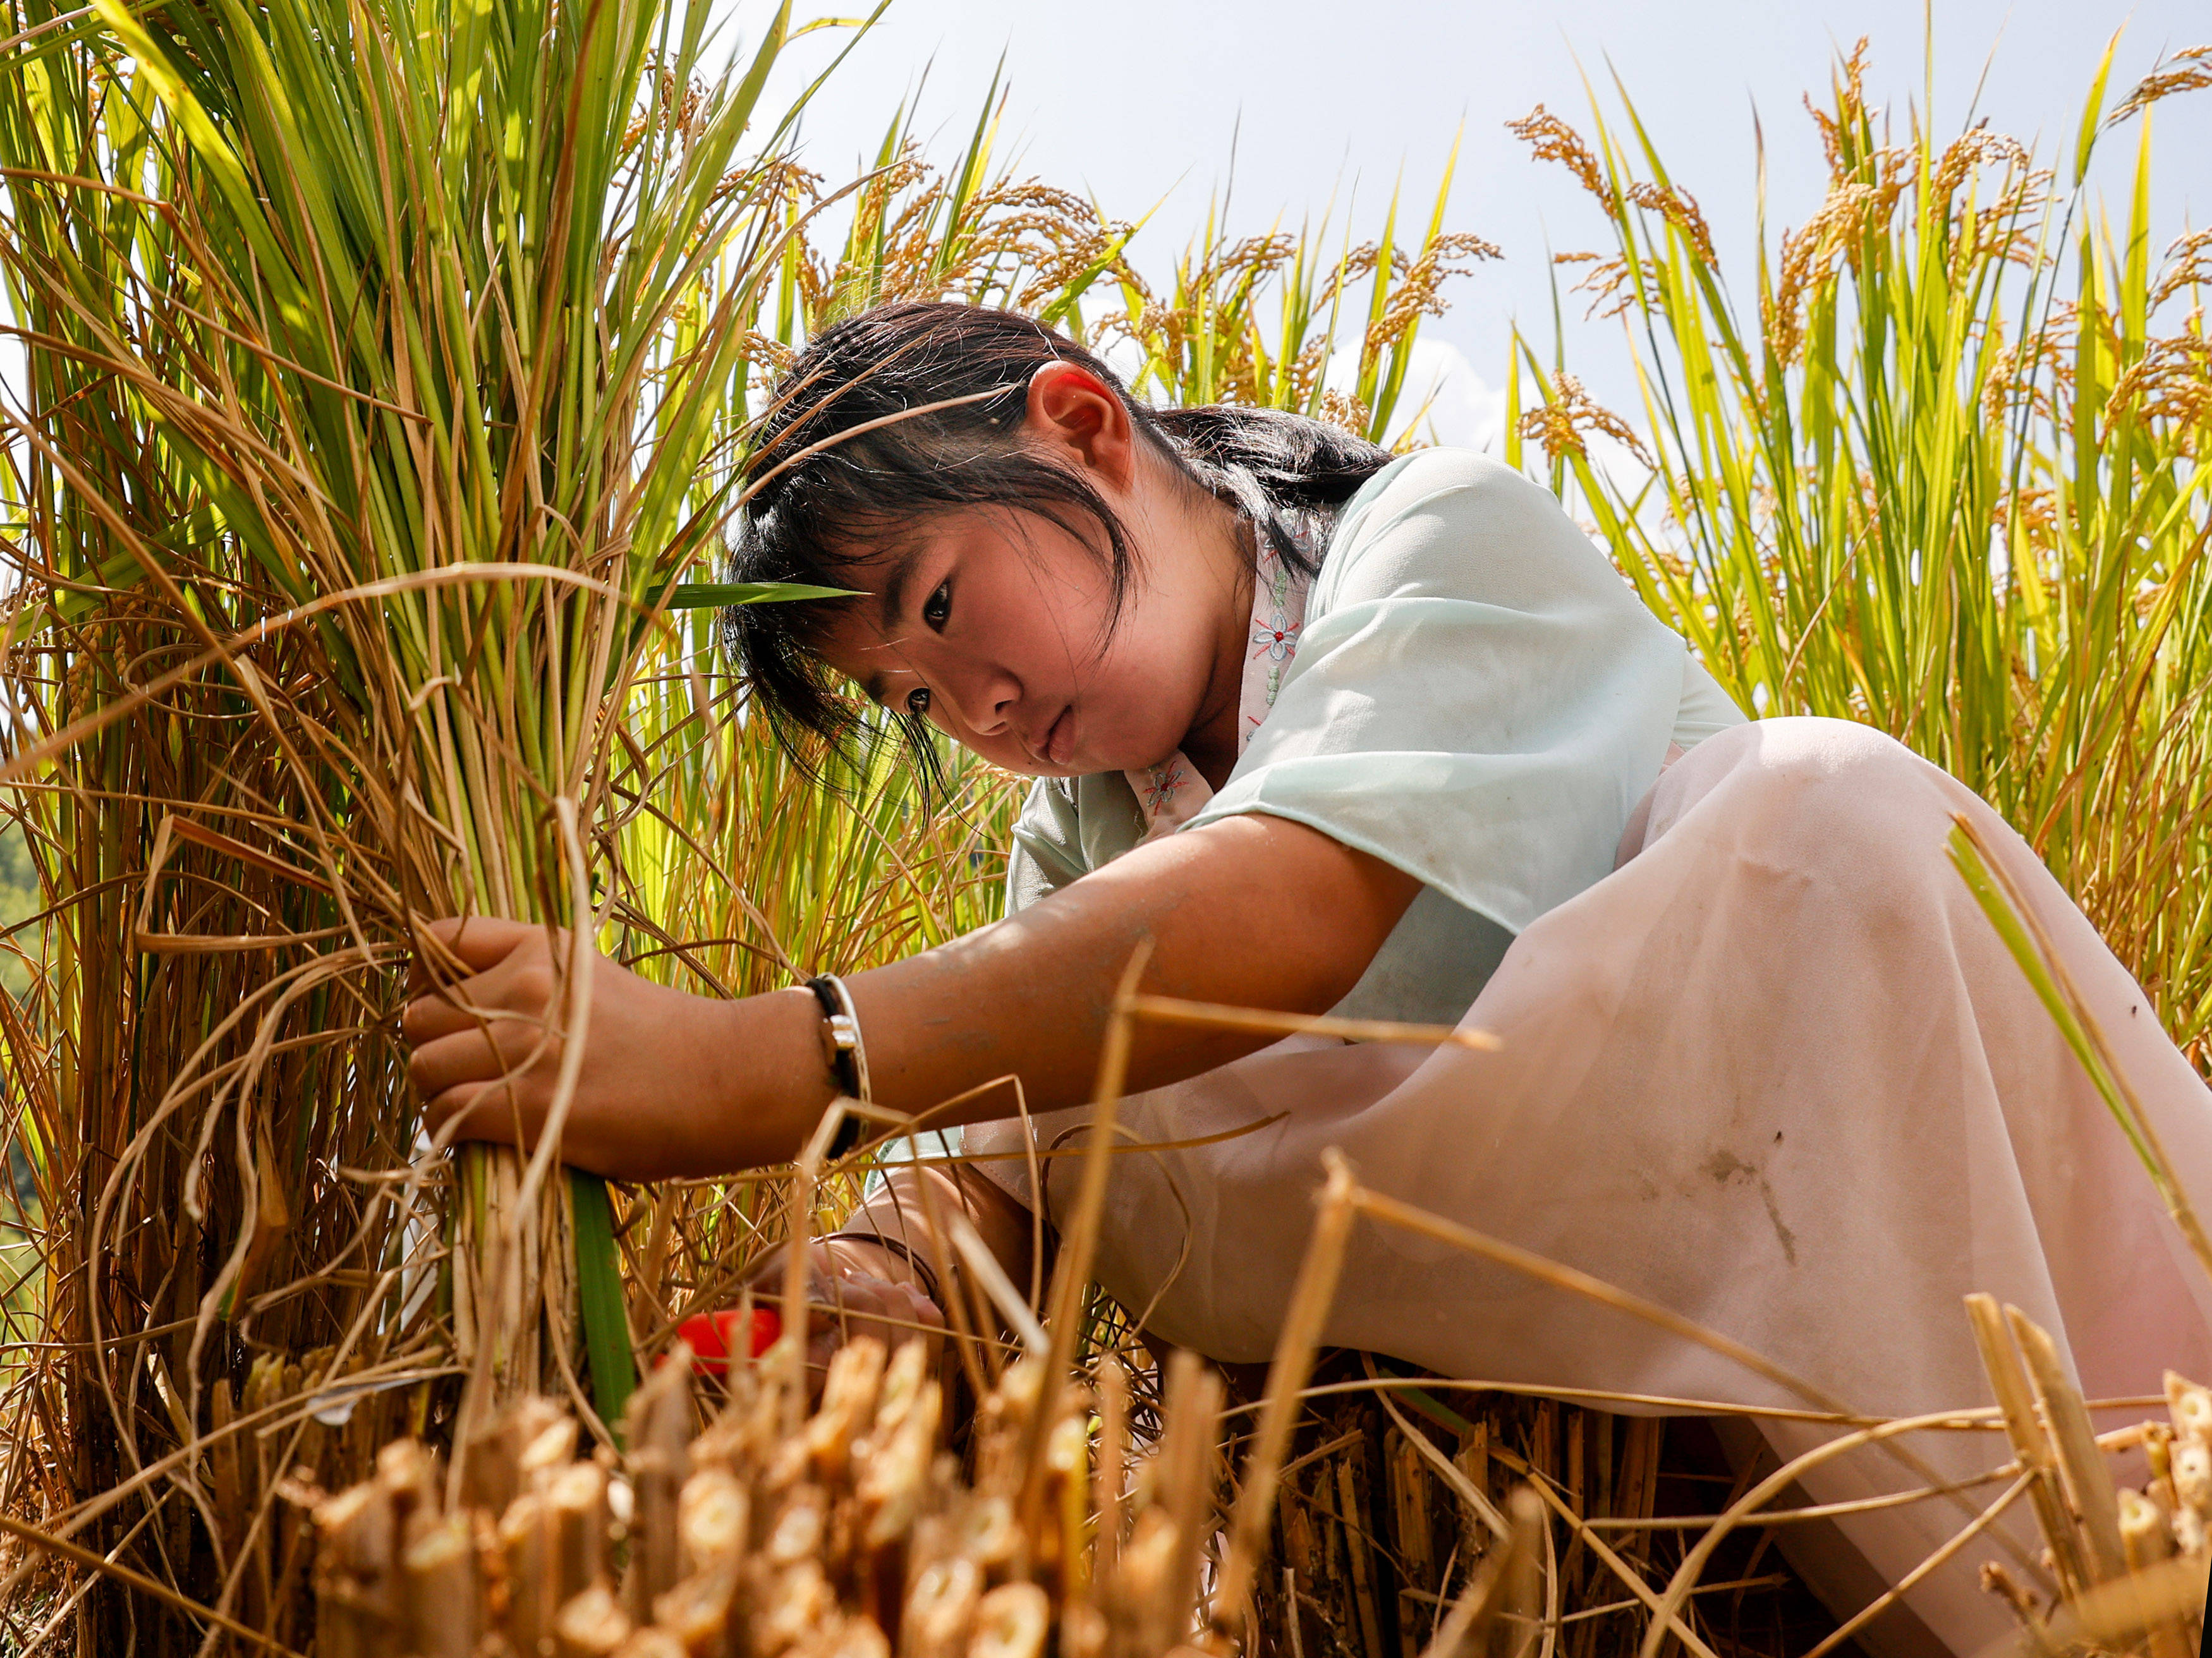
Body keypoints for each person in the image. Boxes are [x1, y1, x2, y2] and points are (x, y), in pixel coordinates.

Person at [402, 301, 2212, 1656]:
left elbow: (1293, 906)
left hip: (1894, 1311)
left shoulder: (1440, 541)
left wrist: (759, 1064)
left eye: (943, 610)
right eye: (913, 703)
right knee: (1090, 1081)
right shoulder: (1086, 843)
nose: (972, 712)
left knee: (1817, 806)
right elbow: (993, 1169)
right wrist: (774, 1346)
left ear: (1080, 424)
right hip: (1547, 1401)